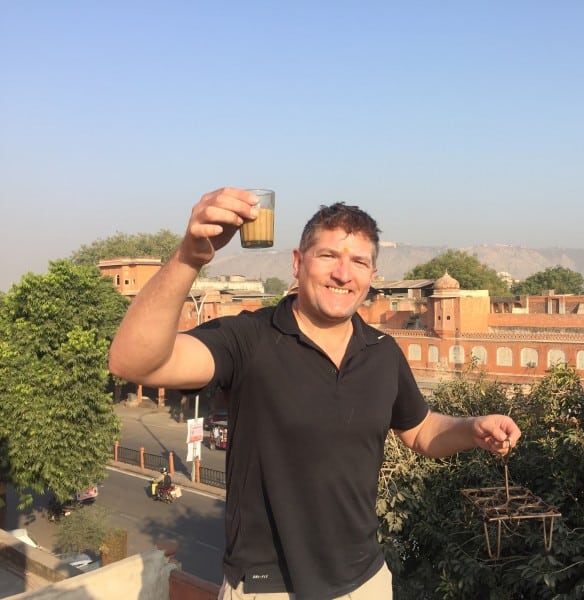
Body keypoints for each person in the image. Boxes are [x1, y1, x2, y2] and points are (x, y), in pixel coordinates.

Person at [108, 187, 521, 600]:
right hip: (268, 588)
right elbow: (134, 363)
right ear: (297, 262)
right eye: (328, 256)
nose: (343, 273)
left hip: (364, 582)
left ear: (372, 278)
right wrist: (189, 257)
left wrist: (472, 428)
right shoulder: (250, 338)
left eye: (358, 261)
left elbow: (421, 430)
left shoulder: (381, 351)